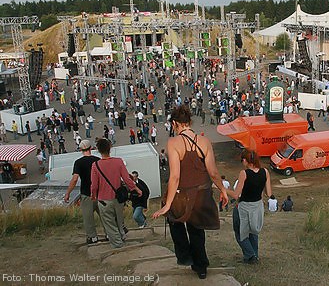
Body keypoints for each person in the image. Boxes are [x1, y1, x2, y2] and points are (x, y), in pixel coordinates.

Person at [152, 105, 228, 280]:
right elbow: (214, 172)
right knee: (196, 231)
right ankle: (201, 266)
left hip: (183, 195)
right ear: (189, 122)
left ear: (175, 124)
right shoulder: (205, 141)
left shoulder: (173, 143)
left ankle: (186, 256)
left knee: (173, 219)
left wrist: (168, 204)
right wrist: (223, 190)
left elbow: (175, 177)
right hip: (202, 195)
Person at [90, 138, 142, 248]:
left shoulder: (96, 165)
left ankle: (118, 245)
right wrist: (136, 189)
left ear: (98, 150)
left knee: (109, 224)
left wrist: (93, 195)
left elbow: (94, 185)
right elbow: (127, 180)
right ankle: (122, 236)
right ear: (110, 148)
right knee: (119, 220)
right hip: (118, 198)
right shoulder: (118, 161)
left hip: (103, 199)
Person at [226, 149, 272, 264]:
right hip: (257, 206)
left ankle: (250, 255)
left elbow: (236, 195)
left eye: (242, 160)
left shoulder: (244, 173)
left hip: (245, 206)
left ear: (246, 161)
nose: (242, 162)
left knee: (240, 232)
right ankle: (254, 255)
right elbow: (269, 193)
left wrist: (223, 189)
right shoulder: (265, 172)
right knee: (253, 231)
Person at [64, 140, 102, 245]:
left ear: (80, 149)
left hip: (86, 193)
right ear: (91, 148)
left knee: (88, 217)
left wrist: (68, 193)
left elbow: (75, 179)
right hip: (100, 192)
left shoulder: (78, 162)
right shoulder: (98, 160)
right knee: (104, 215)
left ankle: (92, 237)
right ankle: (109, 234)